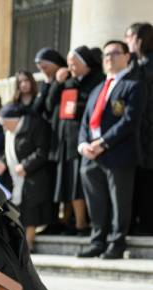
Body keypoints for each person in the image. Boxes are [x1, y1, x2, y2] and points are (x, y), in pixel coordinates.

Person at [77, 40, 147, 259]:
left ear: (127, 57)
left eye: (115, 53)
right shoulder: (98, 88)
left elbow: (129, 121)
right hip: (90, 156)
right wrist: (83, 145)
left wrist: (103, 143)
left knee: (120, 201)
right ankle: (97, 241)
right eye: (106, 54)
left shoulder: (134, 85)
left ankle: (117, 243)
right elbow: (86, 123)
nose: (109, 57)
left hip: (118, 153)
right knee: (95, 202)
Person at [47, 46, 103, 236]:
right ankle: (71, 221)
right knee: (67, 184)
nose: (70, 66)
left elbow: (93, 106)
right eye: (69, 62)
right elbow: (50, 104)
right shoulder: (67, 80)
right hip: (65, 139)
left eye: (74, 63)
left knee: (78, 184)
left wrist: (74, 106)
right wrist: (57, 83)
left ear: (85, 63)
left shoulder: (97, 79)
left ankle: (82, 223)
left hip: (82, 140)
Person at [0, 103, 54, 250]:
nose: (4, 129)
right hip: (17, 176)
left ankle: (28, 244)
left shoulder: (36, 126)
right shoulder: (10, 132)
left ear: (14, 120)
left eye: (5, 124)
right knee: (18, 211)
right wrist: (3, 163)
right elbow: (9, 152)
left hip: (35, 175)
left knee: (31, 212)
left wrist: (26, 166)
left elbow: (42, 150)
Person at [125, 22, 153, 234]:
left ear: (139, 39)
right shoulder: (134, 63)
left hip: (148, 130)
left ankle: (146, 223)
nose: (127, 42)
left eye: (129, 37)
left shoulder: (147, 64)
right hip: (138, 131)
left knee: (147, 179)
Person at [33, 47, 67, 122]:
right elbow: (36, 109)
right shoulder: (46, 82)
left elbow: (51, 103)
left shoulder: (67, 79)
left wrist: (57, 83)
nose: (43, 72)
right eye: (40, 69)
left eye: (45, 68)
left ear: (56, 65)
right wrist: (46, 84)